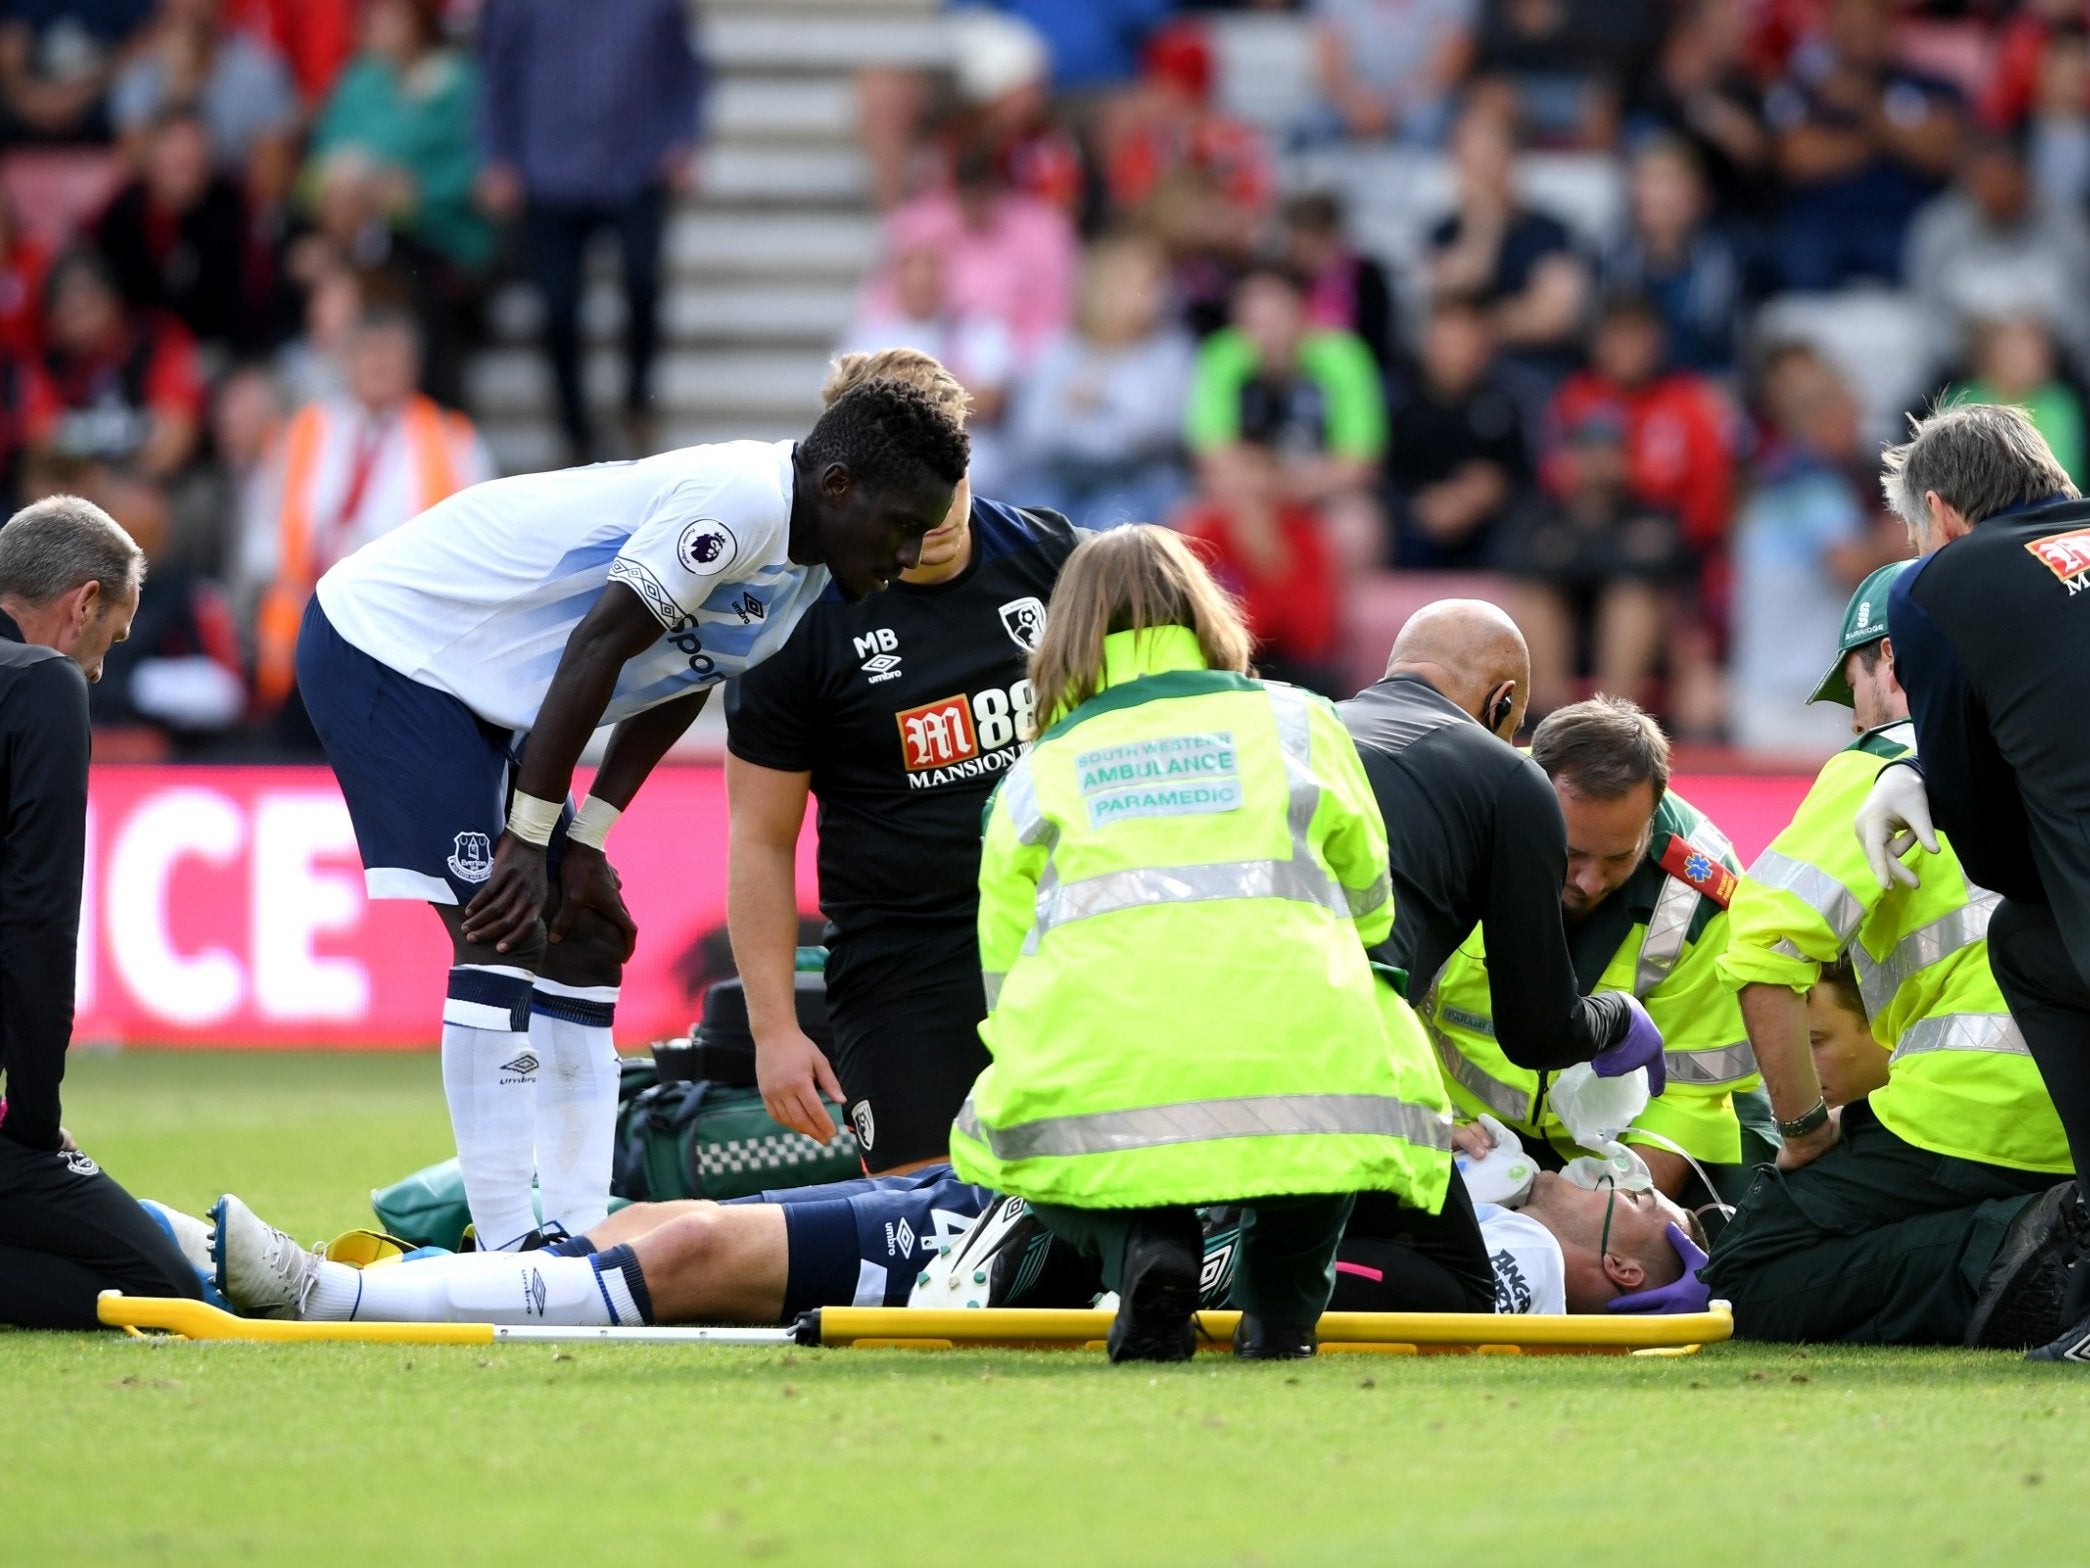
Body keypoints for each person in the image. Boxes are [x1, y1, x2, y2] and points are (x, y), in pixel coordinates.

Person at [294, 377, 967, 1255]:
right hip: (393, 646)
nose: (911, 550)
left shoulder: (811, 570)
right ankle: (505, 1245)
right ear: (838, 487)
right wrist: (532, 842)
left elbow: (680, 678)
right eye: (902, 525)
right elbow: (603, 643)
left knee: (584, 936)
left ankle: (580, 1228)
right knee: (503, 928)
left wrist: (587, 839)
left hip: (487, 700)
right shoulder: (743, 501)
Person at [949, 524, 1454, 1363]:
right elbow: (1370, 904)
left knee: (997, 1129)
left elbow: (1005, 982)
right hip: (1302, 1055)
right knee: (1335, 1107)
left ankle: (1147, 1248)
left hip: (1115, 1064)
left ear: (1068, 632)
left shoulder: (1033, 774)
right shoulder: (1302, 722)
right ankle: (1282, 1316)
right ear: (1203, 613)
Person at [206, 1133, 1703, 1329]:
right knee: (668, 1212)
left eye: (1630, 1193)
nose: (1608, 1172)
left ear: (1614, 1257)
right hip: (1010, 1188)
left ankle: (332, 1307)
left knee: (683, 1257)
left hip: (1029, 1247)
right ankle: (400, 1277)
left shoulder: (1497, 1255)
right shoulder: (1476, 1192)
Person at [724, 349, 1078, 1175]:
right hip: (905, 969)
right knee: (924, 1227)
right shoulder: (799, 621)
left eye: (951, 472)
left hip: (1060, 940)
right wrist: (774, 1031)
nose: (941, 508)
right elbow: (760, 838)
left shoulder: (1056, 561)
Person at [1709, 562, 2079, 1347]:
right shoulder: (2060, 745)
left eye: (1856, 687)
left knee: (1748, 1278)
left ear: (1896, 663)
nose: (1854, 720)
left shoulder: (1882, 764)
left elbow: (1764, 949)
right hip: (2073, 1109)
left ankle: (2034, 1246)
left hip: (1975, 1110)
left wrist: (1806, 1129)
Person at [1853, 401, 2090, 1362]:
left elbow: (1990, 847)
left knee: (2030, 939)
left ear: (1942, 514)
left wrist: (1910, 773)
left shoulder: (1939, 585)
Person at [1423, 696, 1761, 1204]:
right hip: (1457, 1132)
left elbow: (1692, 1098)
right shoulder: (1448, 840)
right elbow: (1378, 1011)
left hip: (1625, 1148)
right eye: (1571, 853)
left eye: (1619, 857)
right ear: (1529, 810)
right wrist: (1420, 1121)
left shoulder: (1698, 899)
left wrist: (1609, 1210)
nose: (1589, 881)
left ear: (1651, 820)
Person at [0, 493, 203, 1329]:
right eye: (111, 640)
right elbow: (37, 920)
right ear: (84, 602)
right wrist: (35, 1123)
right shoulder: (40, 684)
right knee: (162, 1291)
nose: (98, 671)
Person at [1337, 601, 1664, 1087]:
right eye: (1514, 730)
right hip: (1338, 1045)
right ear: (1502, 701)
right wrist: (1618, 1016)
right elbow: (1539, 1035)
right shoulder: (1508, 778)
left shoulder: (1307, 728)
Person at [477, 0, 704, 463]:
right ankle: (574, 428)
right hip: (548, 167)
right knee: (557, 305)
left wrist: (683, 140)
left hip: (636, 164)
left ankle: (638, 400)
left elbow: (687, 68)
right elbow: (495, 72)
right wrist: (498, 157)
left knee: (643, 277)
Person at [242, 306, 491, 724]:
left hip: (404, 635)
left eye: (390, 355)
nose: (378, 365)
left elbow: (479, 545)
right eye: (368, 353)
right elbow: (263, 529)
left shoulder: (452, 439)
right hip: (304, 634)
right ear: (347, 361)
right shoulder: (304, 430)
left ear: (414, 366)